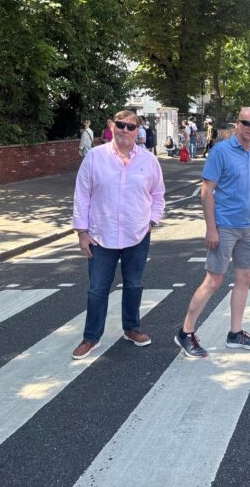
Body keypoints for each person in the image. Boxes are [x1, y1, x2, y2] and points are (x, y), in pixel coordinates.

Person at [71, 109, 165, 360]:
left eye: (131, 127)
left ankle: (131, 328)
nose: (125, 130)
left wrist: (152, 221)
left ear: (138, 131)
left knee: (134, 284)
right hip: (101, 235)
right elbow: (81, 195)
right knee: (98, 289)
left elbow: (158, 195)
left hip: (137, 234)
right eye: (121, 125)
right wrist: (82, 232)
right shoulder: (94, 157)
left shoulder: (148, 160)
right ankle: (91, 337)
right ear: (113, 126)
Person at [174, 107, 250, 358]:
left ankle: (235, 333)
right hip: (224, 225)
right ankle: (185, 332)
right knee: (213, 280)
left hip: (248, 226)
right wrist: (211, 228)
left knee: (244, 278)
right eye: (246, 123)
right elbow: (207, 191)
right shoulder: (221, 151)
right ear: (237, 124)